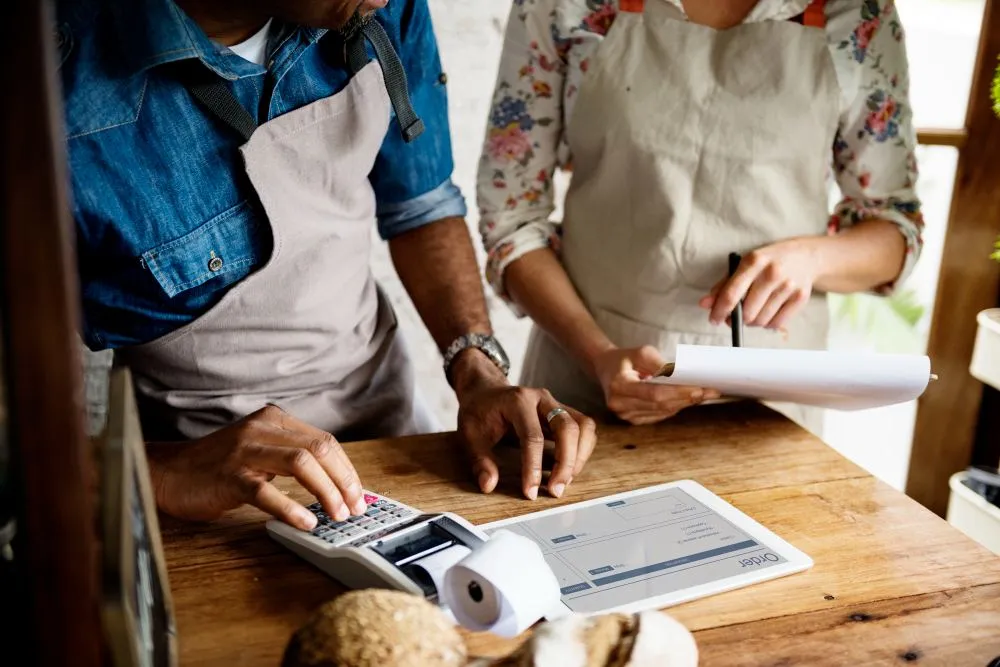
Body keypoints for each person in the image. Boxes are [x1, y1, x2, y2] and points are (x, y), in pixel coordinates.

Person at [58, 0, 597, 531]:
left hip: (388, 431)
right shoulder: (47, 80)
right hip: (204, 479)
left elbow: (420, 206)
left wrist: (476, 370)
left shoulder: (374, 8)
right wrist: (159, 472)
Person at [477, 0, 923, 433]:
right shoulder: (559, 5)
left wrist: (812, 258)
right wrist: (598, 356)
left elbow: (894, 230)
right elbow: (511, 219)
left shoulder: (858, 14)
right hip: (583, 397)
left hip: (769, 415)